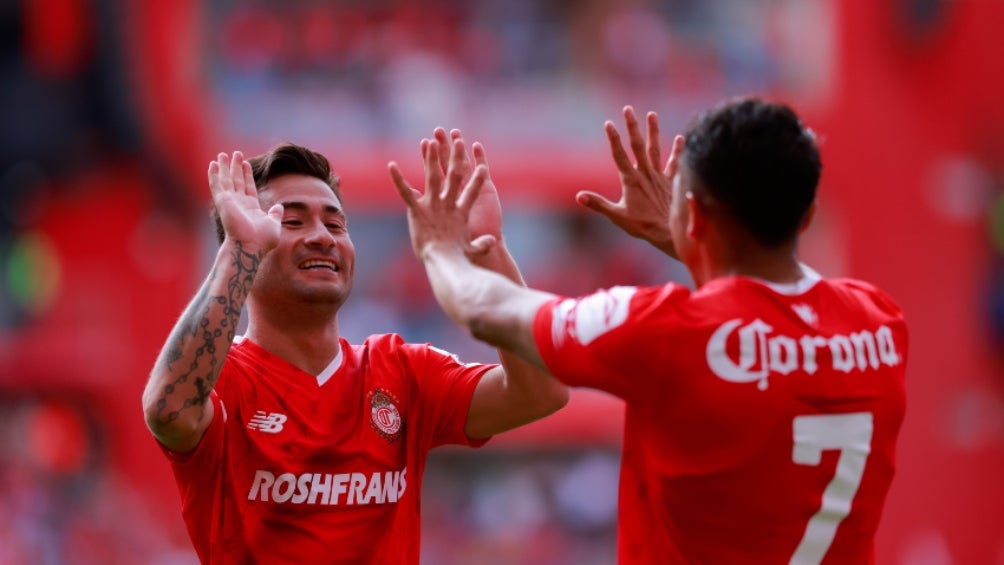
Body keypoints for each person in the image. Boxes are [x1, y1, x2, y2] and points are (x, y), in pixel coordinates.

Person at [390, 96, 908, 564]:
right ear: (808, 214)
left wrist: (440, 248)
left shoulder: (667, 332)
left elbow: (486, 308)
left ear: (693, 214)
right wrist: (690, 238)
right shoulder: (879, 322)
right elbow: (771, 315)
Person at [141, 138, 568, 564]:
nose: (322, 237)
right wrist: (240, 251)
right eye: (292, 221)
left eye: (336, 225)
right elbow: (169, 409)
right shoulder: (224, 377)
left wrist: (488, 249)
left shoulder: (402, 372)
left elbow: (540, 391)